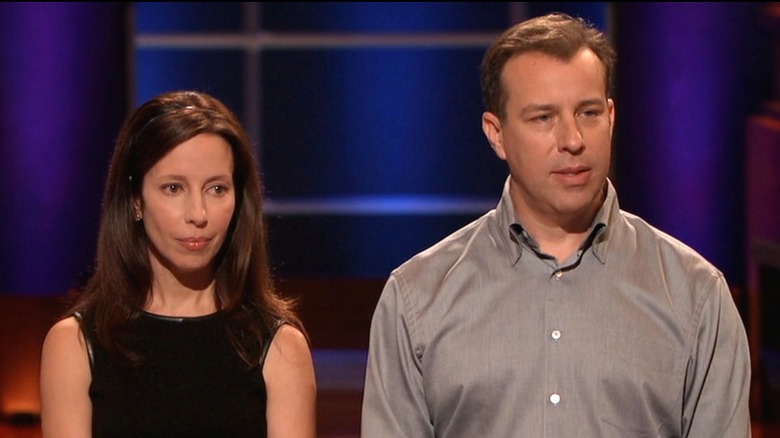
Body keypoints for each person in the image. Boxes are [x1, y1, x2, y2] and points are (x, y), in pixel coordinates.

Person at [361, 12, 751, 437]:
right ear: (496, 134)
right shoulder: (418, 298)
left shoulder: (695, 296)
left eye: (588, 112)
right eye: (543, 118)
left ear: (611, 116)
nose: (572, 139)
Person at [40, 90, 317, 437]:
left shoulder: (279, 347)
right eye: (173, 188)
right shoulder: (76, 345)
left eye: (216, 189)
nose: (198, 215)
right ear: (135, 200)